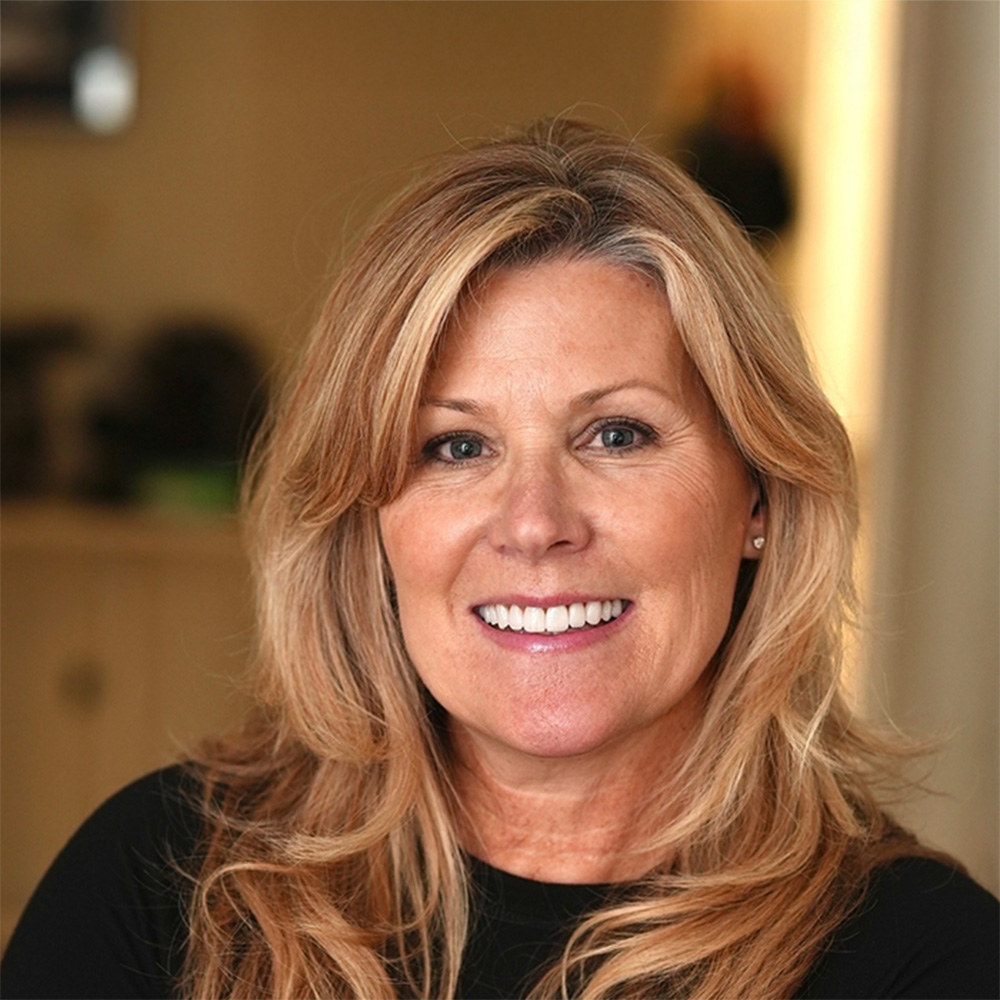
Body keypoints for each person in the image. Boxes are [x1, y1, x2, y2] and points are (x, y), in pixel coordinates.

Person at [2, 118, 997, 1000]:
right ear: (367, 517)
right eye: (455, 446)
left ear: (759, 496)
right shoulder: (160, 890)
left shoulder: (922, 960)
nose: (534, 523)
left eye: (616, 434)